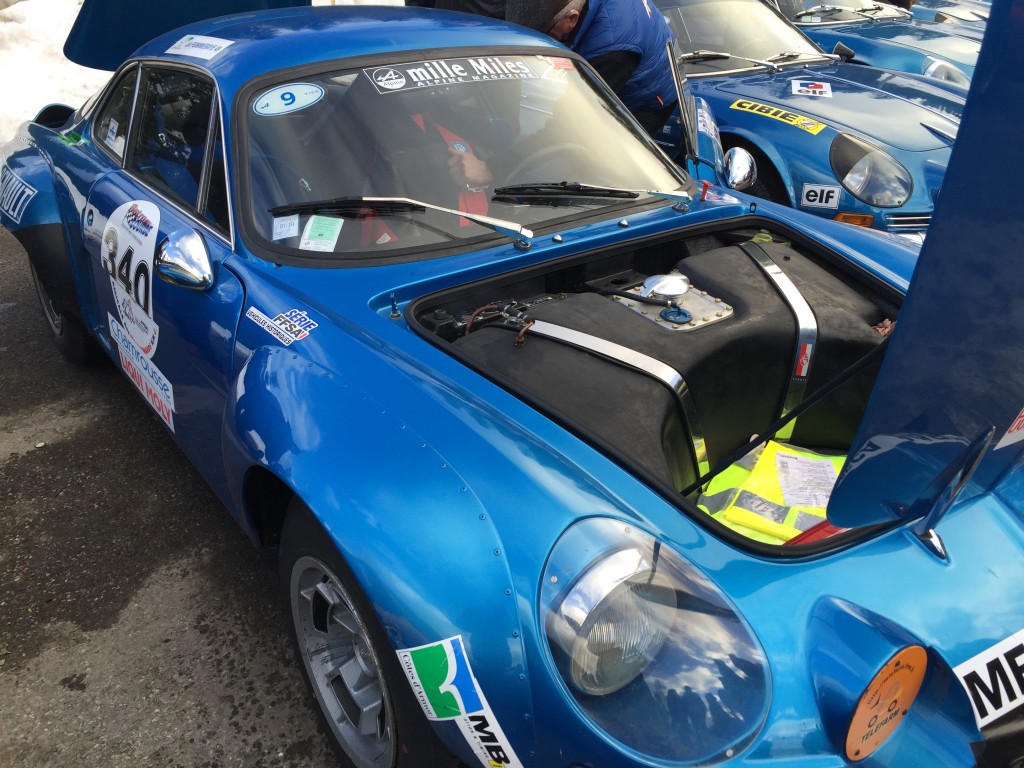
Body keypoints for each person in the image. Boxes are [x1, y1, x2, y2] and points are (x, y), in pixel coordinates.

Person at [505, 0, 679, 135]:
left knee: (603, 153)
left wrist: (526, 151)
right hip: (640, 41)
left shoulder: (612, 50)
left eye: (542, 35)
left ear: (572, 18)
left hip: (651, 98)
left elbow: (575, 116)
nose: (538, 43)